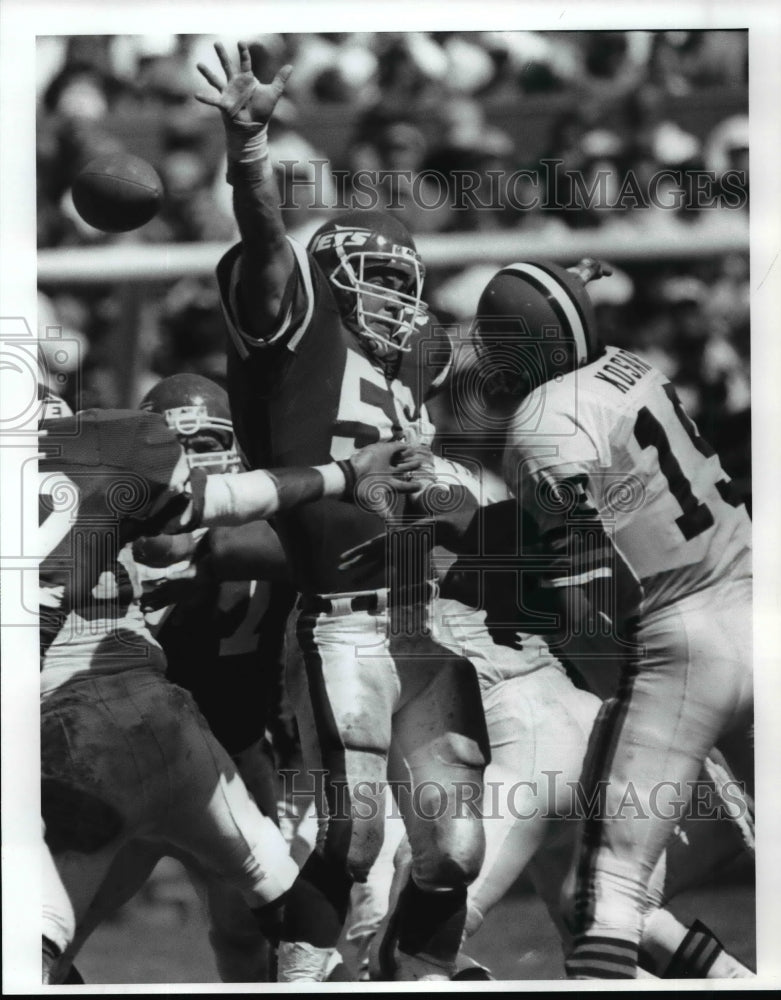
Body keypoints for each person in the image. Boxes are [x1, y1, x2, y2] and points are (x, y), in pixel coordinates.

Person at [198, 40, 489, 981]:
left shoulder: (412, 367)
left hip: (426, 621)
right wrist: (251, 148)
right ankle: (305, 970)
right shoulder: (295, 331)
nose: (398, 298)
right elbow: (268, 247)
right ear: (329, 274)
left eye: (407, 280)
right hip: (343, 624)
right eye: (378, 274)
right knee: (355, 835)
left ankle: (412, 972)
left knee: (455, 852)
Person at [38, 386, 421, 983]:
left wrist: (202, 560)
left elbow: (233, 540)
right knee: (287, 919)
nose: (193, 454)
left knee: (46, 934)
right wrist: (345, 476)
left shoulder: (232, 533)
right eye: (181, 443)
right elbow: (220, 518)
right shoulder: (115, 472)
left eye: (209, 442)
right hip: (187, 743)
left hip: (193, 749)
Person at [469, 257, 753, 979]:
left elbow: (584, 594)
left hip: (685, 637)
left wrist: (636, 696)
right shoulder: (631, 368)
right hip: (756, 602)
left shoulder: (540, 426)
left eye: (499, 345)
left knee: (604, 897)